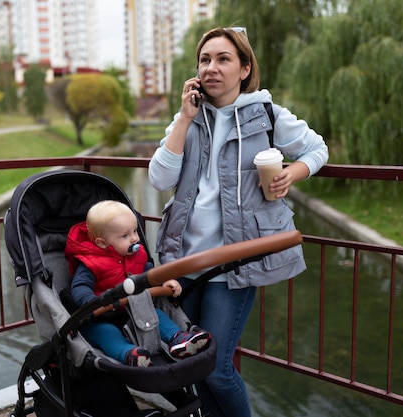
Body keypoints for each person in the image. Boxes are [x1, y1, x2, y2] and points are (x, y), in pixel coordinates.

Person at [148, 27, 329, 416]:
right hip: (183, 262)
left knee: (216, 369)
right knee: (192, 367)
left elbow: (317, 148)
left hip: (236, 263)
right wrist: (183, 119)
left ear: (245, 68)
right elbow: (160, 179)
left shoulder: (266, 115)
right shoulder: (188, 118)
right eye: (205, 59)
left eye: (223, 59)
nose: (212, 67)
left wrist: (291, 174)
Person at [65, 200, 211, 367]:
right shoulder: (90, 263)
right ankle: (128, 354)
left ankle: (178, 338)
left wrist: (165, 280)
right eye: (125, 236)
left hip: (133, 309)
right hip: (101, 316)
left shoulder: (137, 255)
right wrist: (91, 302)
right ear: (102, 242)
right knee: (106, 333)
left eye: (135, 231)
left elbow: (150, 273)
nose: (135, 238)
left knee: (156, 314)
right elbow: (80, 287)